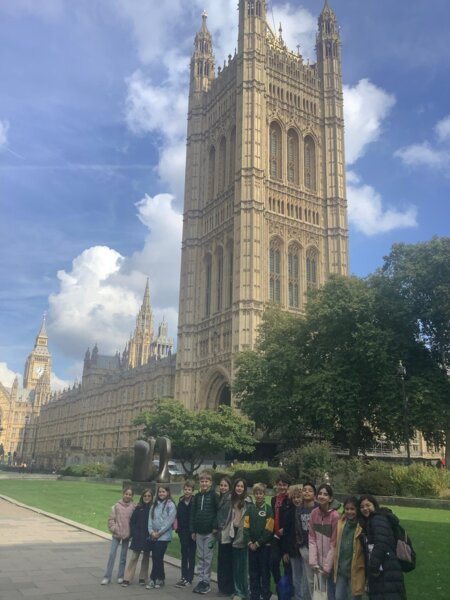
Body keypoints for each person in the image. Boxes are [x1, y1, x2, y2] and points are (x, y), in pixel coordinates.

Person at [358, 494, 406, 600]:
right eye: (362, 507)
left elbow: (381, 543)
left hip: (385, 569)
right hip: (385, 569)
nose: (365, 508)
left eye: (368, 505)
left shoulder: (377, 519)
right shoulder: (371, 521)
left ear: (374, 505)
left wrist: (373, 567)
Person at [309, 483, 339, 600]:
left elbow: (334, 543)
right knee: (320, 593)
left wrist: (327, 567)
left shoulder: (335, 516)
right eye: (320, 493)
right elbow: (312, 538)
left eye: (325, 494)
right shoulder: (314, 513)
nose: (322, 496)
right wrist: (313, 561)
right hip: (318, 563)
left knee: (331, 592)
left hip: (331, 563)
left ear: (330, 498)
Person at [244, 482, 274, 600]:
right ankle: (254, 595)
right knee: (253, 572)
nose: (258, 495)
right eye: (256, 493)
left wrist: (257, 543)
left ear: (264, 494)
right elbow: (245, 527)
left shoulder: (269, 509)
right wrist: (249, 542)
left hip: (264, 547)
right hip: (251, 547)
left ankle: (265, 594)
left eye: (261, 493)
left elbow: (269, 530)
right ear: (254, 494)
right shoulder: (250, 509)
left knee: (264, 572)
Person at [190, 471, 219, 594]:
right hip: (199, 532)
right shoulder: (196, 497)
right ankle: (200, 580)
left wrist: (215, 526)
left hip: (210, 533)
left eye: (206, 481)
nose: (204, 483)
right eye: (202, 481)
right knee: (200, 556)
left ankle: (206, 582)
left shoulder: (214, 496)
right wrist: (193, 530)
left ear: (210, 483)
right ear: (199, 483)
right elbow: (193, 514)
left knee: (207, 557)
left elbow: (218, 512)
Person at [101, 486, 135, 585]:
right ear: (123, 494)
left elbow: (134, 521)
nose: (128, 496)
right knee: (112, 554)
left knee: (123, 556)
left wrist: (131, 532)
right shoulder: (116, 506)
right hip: (116, 534)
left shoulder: (133, 507)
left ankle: (120, 576)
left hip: (127, 535)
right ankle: (107, 577)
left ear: (132, 496)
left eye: (130, 494)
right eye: (126, 494)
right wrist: (114, 528)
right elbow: (111, 519)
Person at [333, 496, 365, 600]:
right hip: (341, 569)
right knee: (339, 596)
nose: (349, 512)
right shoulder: (341, 523)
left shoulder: (361, 526)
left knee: (353, 597)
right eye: (347, 509)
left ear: (357, 510)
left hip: (355, 569)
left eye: (352, 509)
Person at [146, 484, 177, 589]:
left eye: (163, 491)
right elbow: (150, 520)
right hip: (153, 535)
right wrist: (151, 532)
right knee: (156, 557)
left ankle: (153, 578)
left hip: (163, 536)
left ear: (167, 492)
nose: (161, 493)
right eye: (159, 492)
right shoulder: (154, 505)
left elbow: (169, 521)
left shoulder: (170, 505)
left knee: (157, 556)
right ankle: (161, 578)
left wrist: (159, 533)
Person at [122, 488, 153, 587]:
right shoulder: (138, 508)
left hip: (148, 536)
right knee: (134, 557)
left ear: (151, 497)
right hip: (138, 536)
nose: (146, 497)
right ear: (142, 497)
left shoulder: (153, 509)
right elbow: (132, 522)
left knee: (146, 557)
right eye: (145, 496)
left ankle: (143, 578)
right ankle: (127, 578)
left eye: (149, 496)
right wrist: (134, 533)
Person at [282, 484, 306, 600]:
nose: (297, 500)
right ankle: (298, 597)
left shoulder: (307, 511)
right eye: (294, 498)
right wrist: (285, 551)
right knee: (296, 576)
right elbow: (285, 534)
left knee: (306, 577)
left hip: (306, 548)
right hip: (293, 549)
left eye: (299, 497)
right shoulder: (288, 513)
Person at [230, 478, 253, 600]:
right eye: (237, 486)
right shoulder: (231, 501)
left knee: (244, 567)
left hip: (243, 536)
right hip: (233, 534)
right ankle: (237, 590)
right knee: (236, 566)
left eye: (241, 486)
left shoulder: (248, 502)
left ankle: (244, 592)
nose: (239, 488)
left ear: (244, 489)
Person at [270, 473, 292, 585]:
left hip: (286, 537)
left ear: (288, 486)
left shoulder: (290, 500)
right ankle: (279, 585)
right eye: (280, 484)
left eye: (284, 485)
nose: (282, 487)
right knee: (273, 562)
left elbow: (292, 518)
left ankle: (288, 589)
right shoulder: (274, 500)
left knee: (287, 565)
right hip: (276, 536)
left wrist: (285, 529)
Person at [175, 480, 197, 588]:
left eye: (189, 489)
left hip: (192, 533)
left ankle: (189, 578)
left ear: (192, 491)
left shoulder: (195, 502)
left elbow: (196, 517)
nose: (187, 491)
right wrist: (178, 529)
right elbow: (178, 517)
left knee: (191, 556)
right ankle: (183, 576)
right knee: (184, 555)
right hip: (183, 532)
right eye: (185, 489)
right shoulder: (181, 502)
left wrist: (194, 531)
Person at [217, 476, 234, 595]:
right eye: (221, 485)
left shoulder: (228, 499)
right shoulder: (221, 498)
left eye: (225, 485)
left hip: (226, 532)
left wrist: (219, 526)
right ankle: (223, 587)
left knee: (226, 561)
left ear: (229, 487)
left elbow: (226, 517)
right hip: (222, 533)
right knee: (223, 560)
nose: (223, 487)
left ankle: (226, 587)